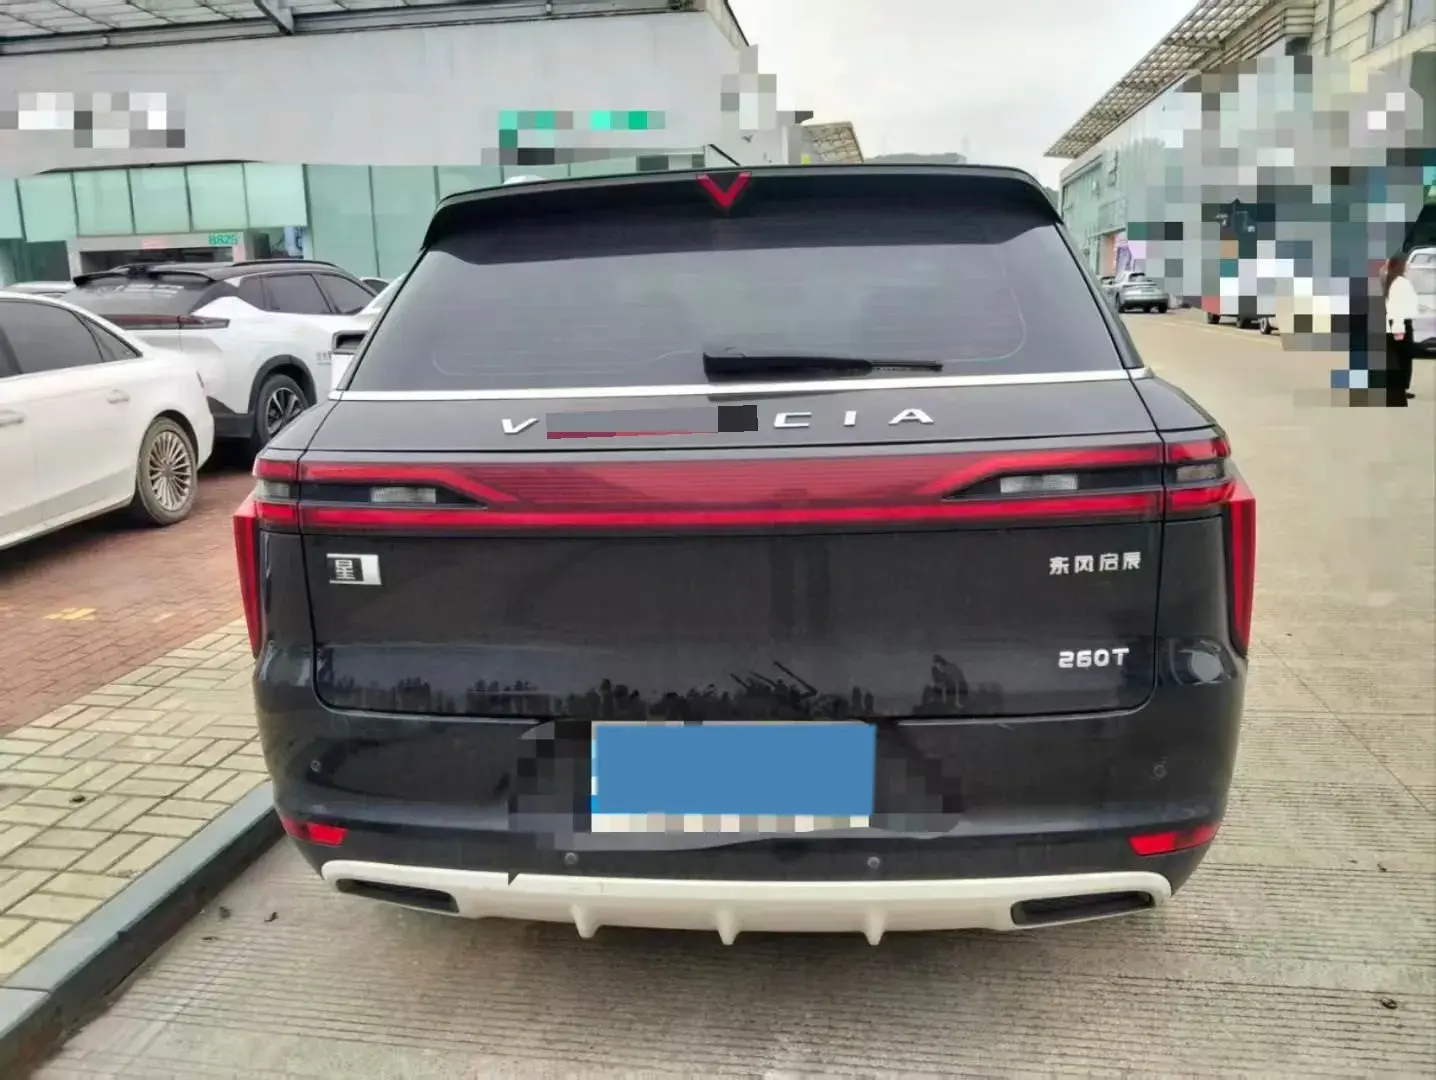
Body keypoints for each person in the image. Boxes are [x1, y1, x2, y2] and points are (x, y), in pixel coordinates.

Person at [1383, 251, 1418, 405]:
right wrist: (1399, 327)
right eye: (1405, 264)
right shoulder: (1401, 283)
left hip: (1391, 323)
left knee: (1393, 357)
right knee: (1404, 358)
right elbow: (1399, 307)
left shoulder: (1387, 280)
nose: (1407, 266)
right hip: (1400, 323)